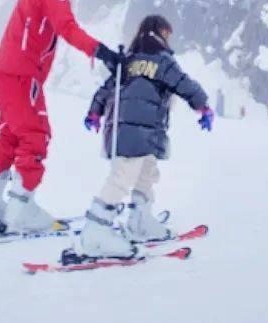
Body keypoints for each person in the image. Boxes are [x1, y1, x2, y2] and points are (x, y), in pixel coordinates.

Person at [0, 0, 119, 233]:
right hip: (21, 75)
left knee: (11, 136)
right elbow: (67, 28)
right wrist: (100, 51)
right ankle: (21, 211)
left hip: (7, 74)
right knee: (36, 135)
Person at [79, 14, 213, 259]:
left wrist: (94, 113)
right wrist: (203, 106)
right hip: (137, 132)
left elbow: (106, 89)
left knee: (146, 172)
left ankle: (141, 220)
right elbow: (184, 84)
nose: (168, 39)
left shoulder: (127, 62)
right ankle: (94, 233)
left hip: (131, 131)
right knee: (122, 177)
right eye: (167, 34)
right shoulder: (163, 61)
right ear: (160, 33)